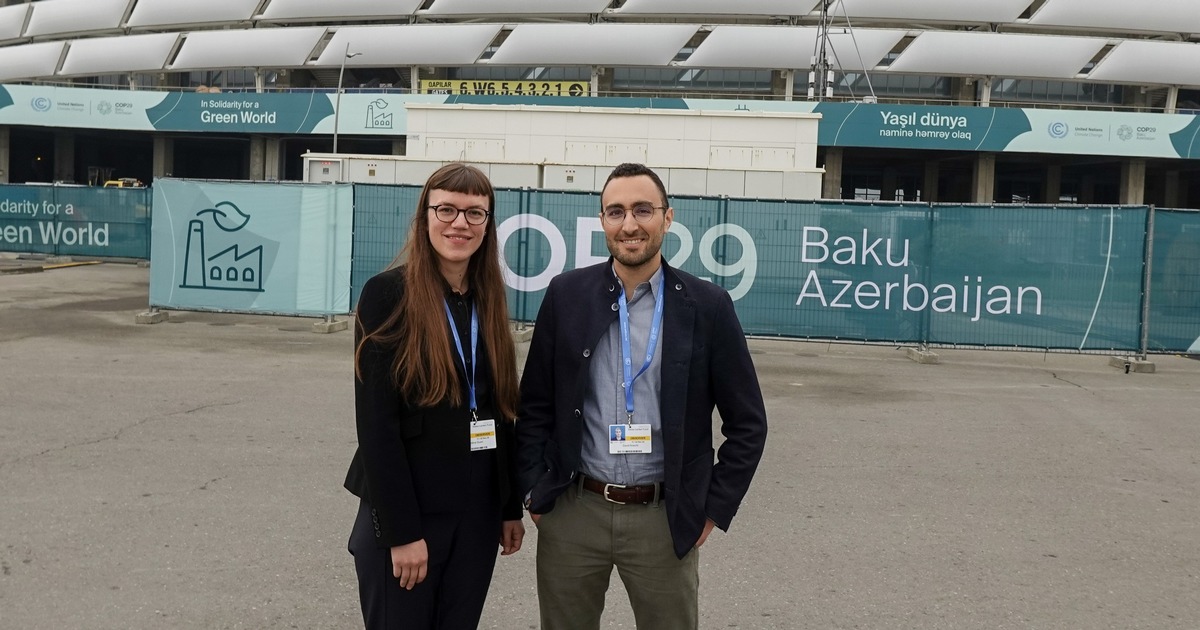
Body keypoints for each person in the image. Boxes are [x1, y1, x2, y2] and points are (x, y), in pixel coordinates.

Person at [516, 162, 768, 629]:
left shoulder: (707, 306)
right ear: (602, 222)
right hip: (574, 510)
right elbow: (535, 404)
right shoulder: (566, 294)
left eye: (642, 210)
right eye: (616, 212)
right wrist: (535, 491)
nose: (629, 224)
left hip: (663, 516)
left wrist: (712, 508)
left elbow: (748, 422)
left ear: (667, 218)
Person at [344, 163, 525, 629]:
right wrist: (402, 533)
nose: (459, 223)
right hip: (411, 516)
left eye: (474, 213)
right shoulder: (388, 294)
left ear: (488, 224)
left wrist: (508, 507)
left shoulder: (488, 298)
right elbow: (376, 425)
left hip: (476, 520)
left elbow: (498, 410)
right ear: (425, 217)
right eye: (446, 209)